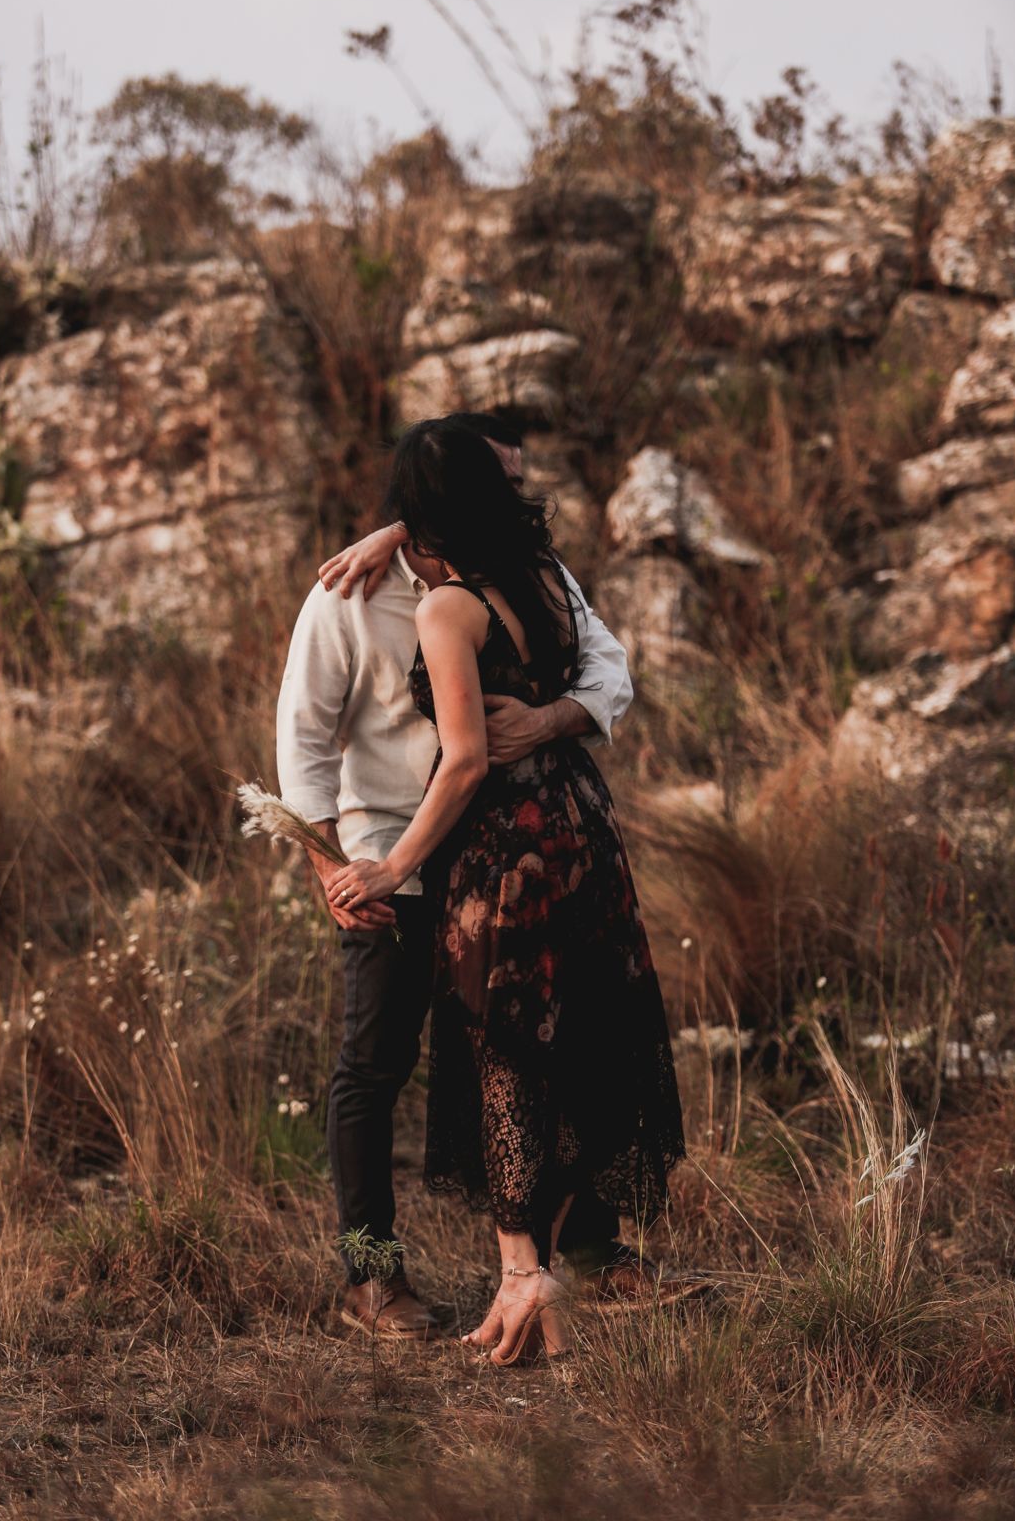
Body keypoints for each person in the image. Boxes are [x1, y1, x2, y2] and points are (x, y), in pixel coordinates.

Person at [324, 419, 686, 1365]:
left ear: (425, 512)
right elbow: (303, 740)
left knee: (502, 1057)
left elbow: (466, 759)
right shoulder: (535, 575)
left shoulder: (448, 611)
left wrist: (391, 867)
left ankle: (533, 1274)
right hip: (581, 827)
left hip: (491, 855)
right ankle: (377, 1269)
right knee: (552, 1041)